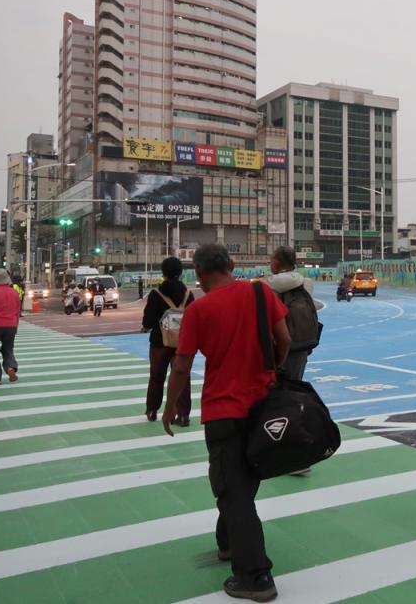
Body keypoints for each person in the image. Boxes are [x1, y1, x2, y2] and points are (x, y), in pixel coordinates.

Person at [162, 244, 290, 602]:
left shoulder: (199, 309)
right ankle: (228, 543)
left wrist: (170, 407)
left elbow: (182, 365)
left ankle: (255, 576)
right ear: (232, 265)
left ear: (198, 275)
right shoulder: (260, 291)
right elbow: (285, 339)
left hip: (223, 410)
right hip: (261, 408)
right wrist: (270, 371)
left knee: (233, 490)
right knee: (240, 484)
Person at [142, 257, 194, 425]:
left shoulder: (156, 294)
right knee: (182, 377)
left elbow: (148, 321)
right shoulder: (188, 294)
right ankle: (183, 415)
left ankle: (152, 410)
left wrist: (146, 327)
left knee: (157, 376)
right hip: (183, 342)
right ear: (180, 272)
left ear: (163, 273)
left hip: (160, 343)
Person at [264, 246, 317, 383]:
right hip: (302, 345)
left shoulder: (266, 285)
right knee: (294, 388)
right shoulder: (307, 283)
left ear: (275, 264)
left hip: (275, 347)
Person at [0, 269, 22, 385]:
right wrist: (15, 325)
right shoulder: (14, 293)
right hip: (11, 325)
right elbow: (17, 311)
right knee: (8, 349)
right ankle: (10, 368)